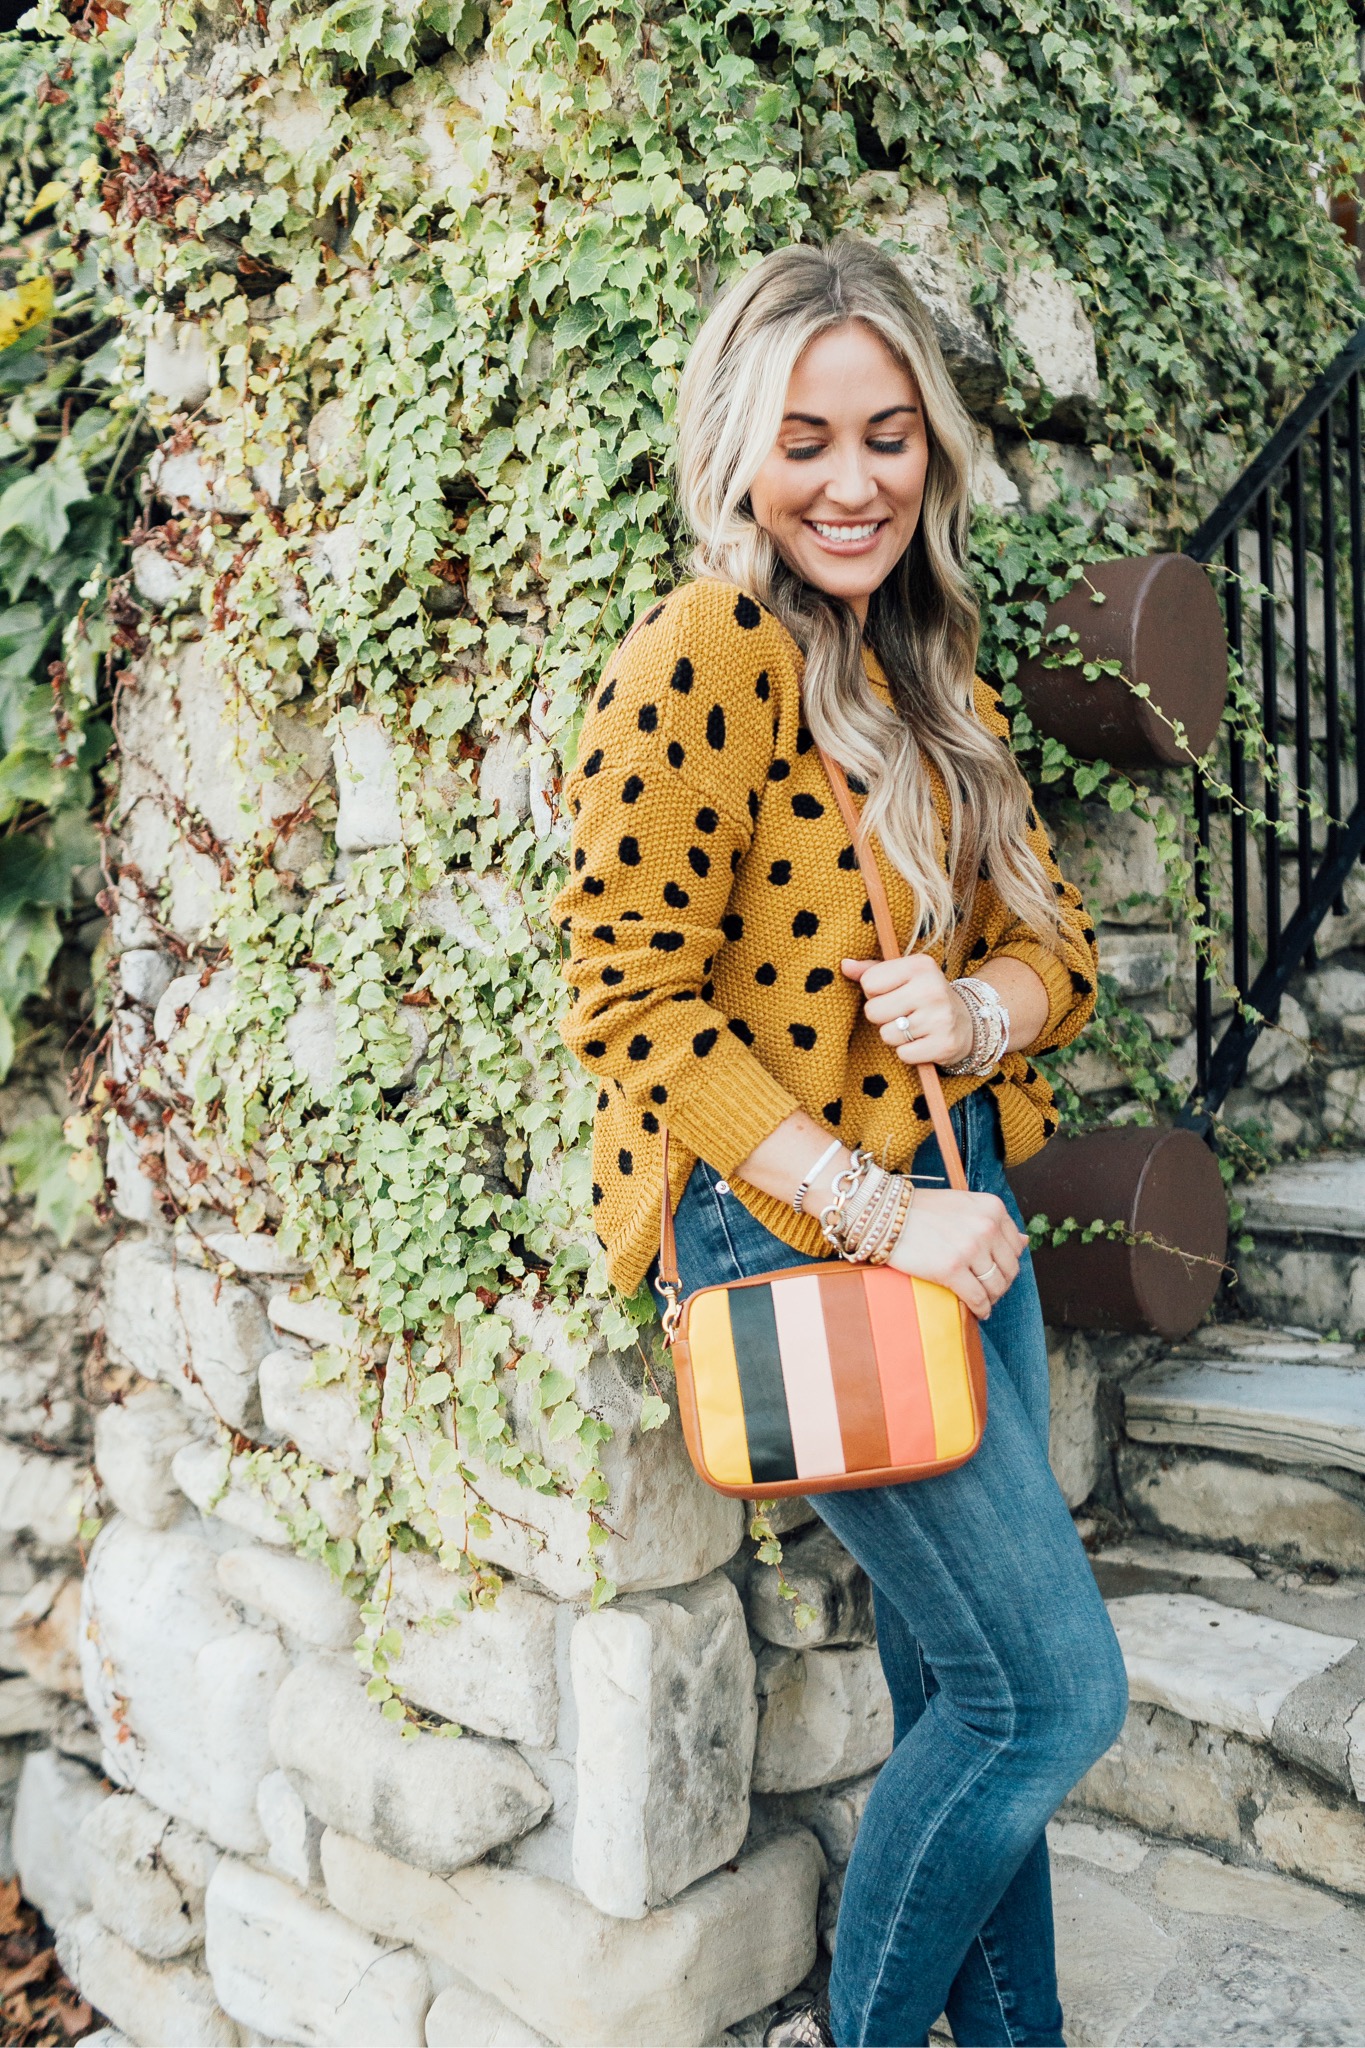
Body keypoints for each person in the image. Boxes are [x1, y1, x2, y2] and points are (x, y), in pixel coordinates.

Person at [554, 237, 1127, 2048]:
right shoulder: (705, 650)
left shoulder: (921, 669)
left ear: (931, 454)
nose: (854, 481)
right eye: (807, 439)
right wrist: (883, 1215)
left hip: (959, 1222)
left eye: (889, 437)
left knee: (967, 1686)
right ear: (737, 448)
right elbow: (628, 1007)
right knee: (1048, 1703)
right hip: (817, 1234)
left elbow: (1064, 953)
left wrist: (983, 1015)